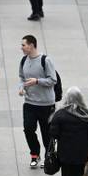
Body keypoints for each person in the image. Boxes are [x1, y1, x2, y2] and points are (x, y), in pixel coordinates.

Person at [19, 35, 58, 168]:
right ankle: (35, 154)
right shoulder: (23, 60)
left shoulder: (45, 60)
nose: (22, 48)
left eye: (23, 45)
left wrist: (37, 81)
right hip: (29, 103)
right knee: (28, 129)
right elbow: (21, 77)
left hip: (46, 104)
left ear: (31, 45)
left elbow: (53, 80)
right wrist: (21, 87)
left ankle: (49, 156)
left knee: (47, 133)